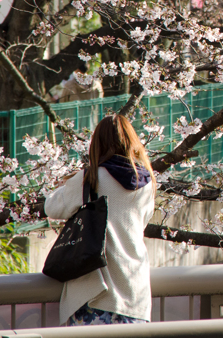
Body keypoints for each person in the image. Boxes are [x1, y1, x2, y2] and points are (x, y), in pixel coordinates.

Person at [45, 115, 156, 326]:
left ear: (97, 144)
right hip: (135, 293)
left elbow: (52, 207)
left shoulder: (91, 177)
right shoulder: (148, 182)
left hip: (95, 294)